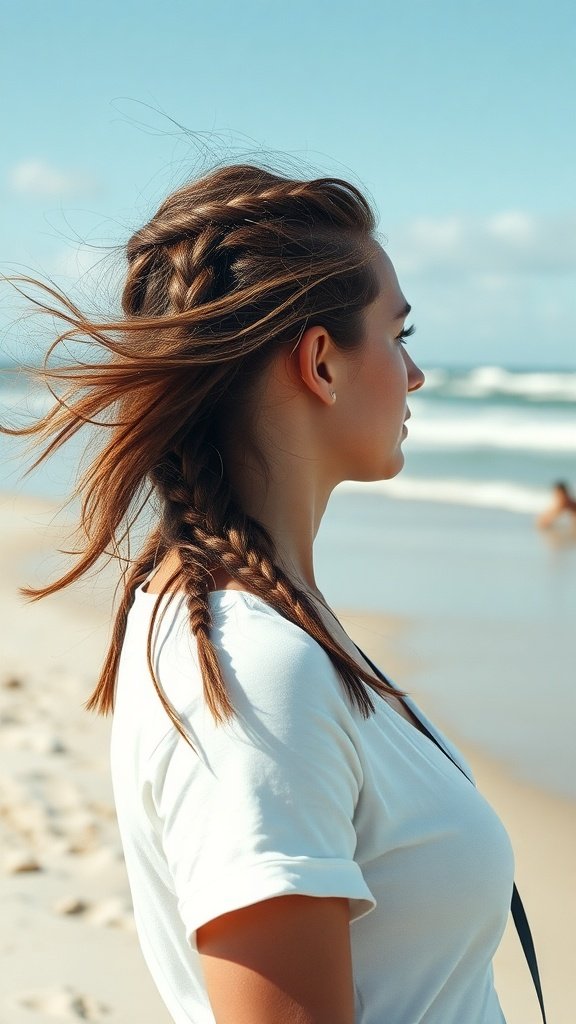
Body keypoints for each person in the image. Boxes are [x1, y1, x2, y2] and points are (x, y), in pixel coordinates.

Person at [5, 163, 516, 1023]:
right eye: (400, 334)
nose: (417, 373)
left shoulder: (264, 621)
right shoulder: (254, 669)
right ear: (320, 362)